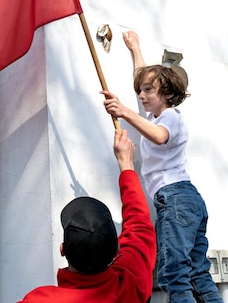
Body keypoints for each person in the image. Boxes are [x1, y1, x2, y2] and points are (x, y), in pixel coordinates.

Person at [101, 30, 223, 303]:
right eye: (140, 91)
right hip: (186, 200)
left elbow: (158, 136)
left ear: (166, 94)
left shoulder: (170, 117)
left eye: (148, 91)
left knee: (173, 274)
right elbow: (143, 75)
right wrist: (135, 48)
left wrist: (123, 111)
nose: (142, 95)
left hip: (176, 199)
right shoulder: (156, 115)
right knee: (197, 273)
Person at [18, 128, 156, 302]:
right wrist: (126, 165)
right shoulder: (131, 282)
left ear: (62, 250)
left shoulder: (39, 300)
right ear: (117, 250)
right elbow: (140, 224)